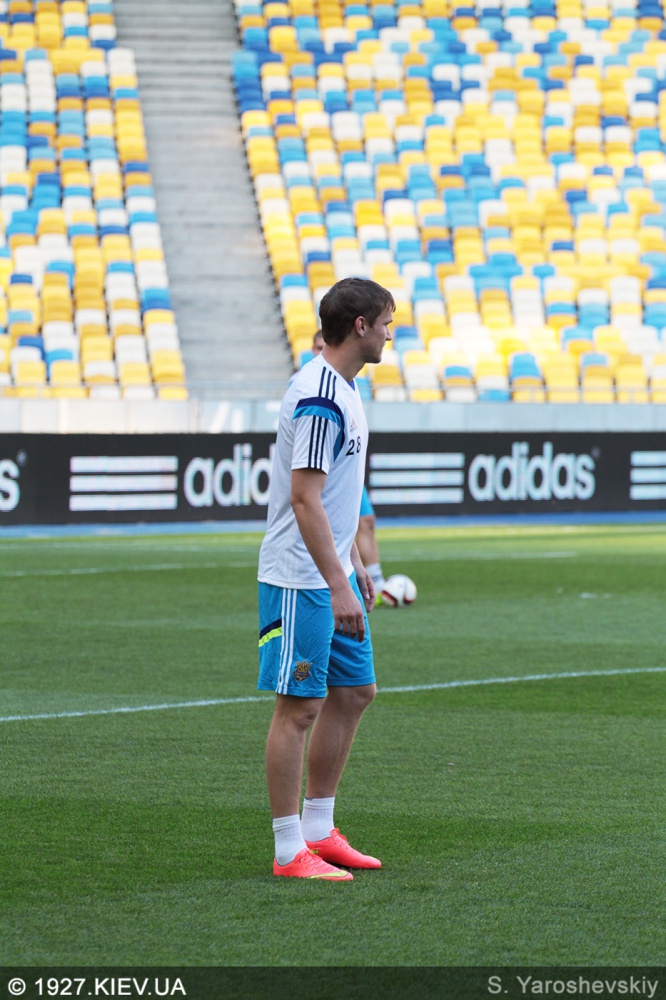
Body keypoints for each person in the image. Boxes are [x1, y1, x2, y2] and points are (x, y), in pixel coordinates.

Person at [258, 277, 395, 881]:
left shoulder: (346, 386)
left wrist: (357, 564)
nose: (390, 334)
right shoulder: (319, 396)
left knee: (354, 691)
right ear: (360, 326)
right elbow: (305, 499)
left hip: (333, 571)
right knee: (299, 708)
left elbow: (336, 497)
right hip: (301, 578)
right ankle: (289, 850)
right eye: (385, 323)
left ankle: (319, 828)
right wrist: (338, 582)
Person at [312, 330, 387, 596]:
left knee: (365, 520)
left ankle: (375, 579)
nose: (388, 335)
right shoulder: (310, 387)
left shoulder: (349, 383)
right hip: (323, 472)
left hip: (344, 470)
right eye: (317, 347)